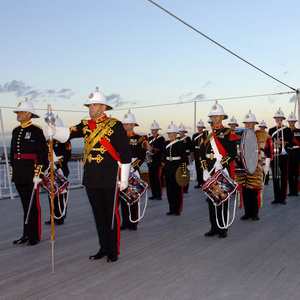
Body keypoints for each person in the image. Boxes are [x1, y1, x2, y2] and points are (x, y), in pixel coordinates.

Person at [46, 87, 132, 262]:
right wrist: (54, 131)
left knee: (111, 214)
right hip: (91, 176)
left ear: (102, 107)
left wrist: (124, 179)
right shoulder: (86, 125)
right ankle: (103, 247)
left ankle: (113, 249)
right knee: (98, 214)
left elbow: (125, 153)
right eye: (89, 106)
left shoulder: (115, 125)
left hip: (110, 176)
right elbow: (70, 132)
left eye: (93, 106)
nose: (90, 109)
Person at [10, 98, 48, 246]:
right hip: (20, 173)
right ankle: (26, 234)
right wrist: (13, 171)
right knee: (25, 205)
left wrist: (38, 174)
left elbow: (43, 155)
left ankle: (35, 235)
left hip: (31, 173)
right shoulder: (16, 131)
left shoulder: (36, 131)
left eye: (20, 112)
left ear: (28, 114)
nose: (18, 114)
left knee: (33, 206)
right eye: (18, 112)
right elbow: (14, 153)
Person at [199, 102, 237, 238]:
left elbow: (232, 154)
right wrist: (204, 170)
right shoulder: (205, 133)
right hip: (210, 171)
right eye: (212, 116)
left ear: (222, 116)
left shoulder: (228, 132)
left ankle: (223, 227)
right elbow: (201, 154)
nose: (214, 118)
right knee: (211, 200)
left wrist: (223, 164)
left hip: (222, 171)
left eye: (216, 116)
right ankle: (213, 227)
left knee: (222, 199)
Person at [235, 111, 273, 221]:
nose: (247, 125)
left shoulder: (261, 135)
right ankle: (247, 213)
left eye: (249, 123)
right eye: (246, 123)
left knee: (255, 190)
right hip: (244, 165)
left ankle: (255, 212)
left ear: (254, 123)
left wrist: (267, 165)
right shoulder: (241, 135)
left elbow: (268, 151)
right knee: (245, 190)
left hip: (256, 165)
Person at [121, 110, 148, 231]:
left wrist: (133, 167)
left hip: (133, 169)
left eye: (127, 124)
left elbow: (142, 156)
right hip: (121, 169)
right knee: (123, 197)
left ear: (133, 125)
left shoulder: (140, 139)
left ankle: (134, 221)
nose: (125, 126)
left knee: (133, 197)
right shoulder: (119, 139)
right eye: (124, 124)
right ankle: (125, 221)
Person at [45, 116, 72, 225]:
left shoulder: (65, 141)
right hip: (50, 170)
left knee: (60, 193)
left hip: (61, 170)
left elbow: (67, 156)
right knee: (51, 194)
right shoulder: (48, 141)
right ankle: (53, 216)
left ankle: (60, 215)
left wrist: (57, 166)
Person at [162, 122, 188, 215]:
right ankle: (171, 208)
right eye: (168, 133)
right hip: (168, 168)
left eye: (171, 132)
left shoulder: (180, 143)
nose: (169, 134)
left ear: (175, 133)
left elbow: (184, 158)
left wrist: (184, 171)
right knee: (169, 190)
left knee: (177, 190)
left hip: (177, 168)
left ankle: (177, 209)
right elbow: (163, 157)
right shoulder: (166, 143)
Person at [268, 108, 293, 205]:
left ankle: (283, 197)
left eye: (280, 117)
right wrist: (273, 143)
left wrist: (281, 143)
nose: (278, 119)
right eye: (276, 117)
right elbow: (268, 142)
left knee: (283, 176)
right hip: (274, 156)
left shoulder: (287, 130)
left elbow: (290, 143)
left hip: (283, 156)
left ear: (283, 118)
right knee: (275, 177)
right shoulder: (271, 130)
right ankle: (276, 197)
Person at [147, 121, 165, 200]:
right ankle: (154, 194)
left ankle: (159, 194)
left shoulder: (161, 139)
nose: (152, 131)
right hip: (150, 161)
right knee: (152, 178)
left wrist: (152, 149)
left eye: (154, 129)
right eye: (152, 129)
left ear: (157, 130)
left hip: (157, 161)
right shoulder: (149, 138)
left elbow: (161, 150)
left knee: (158, 178)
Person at [286, 112, 300, 196]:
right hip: (288, 154)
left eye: (293, 121)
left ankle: (296, 190)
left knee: (296, 173)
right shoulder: (286, 131)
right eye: (290, 121)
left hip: (297, 154)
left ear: (295, 122)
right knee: (290, 174)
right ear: (288, 122)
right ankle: (291, 191)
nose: (291, 123)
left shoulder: (298, 131)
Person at [178, 123, 193, 193]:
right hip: (178, 157)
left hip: (186, 156)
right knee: (179, 172)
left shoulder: (187, 138)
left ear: (184, 131)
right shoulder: (177, 139)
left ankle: (185, 188)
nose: (180, 132)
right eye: (179, 131)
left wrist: (191, 156)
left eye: (181, 131)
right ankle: (180, 185)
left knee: (185, 172)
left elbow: (191, 148)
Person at [192, 120, 206, 188]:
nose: (199, 128)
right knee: (197, 167)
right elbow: (192, 145)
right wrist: (192, 154)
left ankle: (204, 182)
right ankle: (199, 182)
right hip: (197, 152)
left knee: (203, 168)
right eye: (198, 127)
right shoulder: (194, 135)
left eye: (201, 127)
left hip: (202, 152)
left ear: (203, 127)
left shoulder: (205, 134)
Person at [258, 120, 270, 185]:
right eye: (261, 127)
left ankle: (266, 179)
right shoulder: (257, 134)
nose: (262, 128)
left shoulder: (267, 135)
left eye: (263, 127)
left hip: (265, 152)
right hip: (260, 152)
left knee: (266, 166)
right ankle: (261, 179)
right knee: (260, 167)